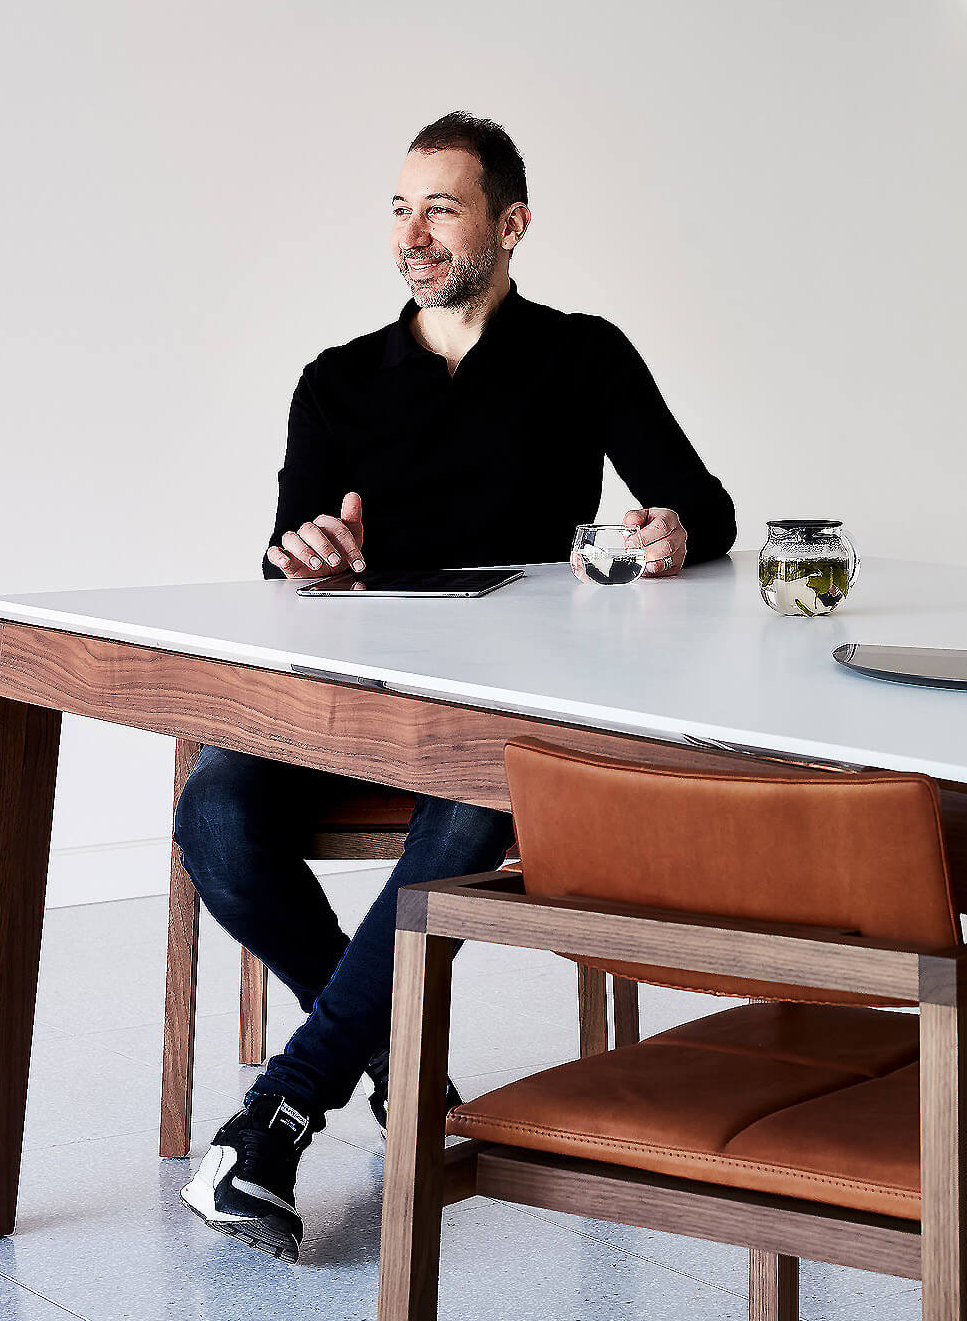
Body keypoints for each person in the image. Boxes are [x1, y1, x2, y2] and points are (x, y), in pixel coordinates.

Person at [176, 111, 735, 1261]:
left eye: (442, 205)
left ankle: (279, 1115)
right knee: (214, 812)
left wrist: (676, 532)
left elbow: (708, 510)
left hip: (504, 713)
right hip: (355, 696)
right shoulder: (335, 382)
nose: (413, 232)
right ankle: (399, 1067)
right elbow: (286, 550)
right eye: (398, 206)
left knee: (484, 788)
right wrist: (310, 555)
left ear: (510, 223)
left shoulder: (584, 355)